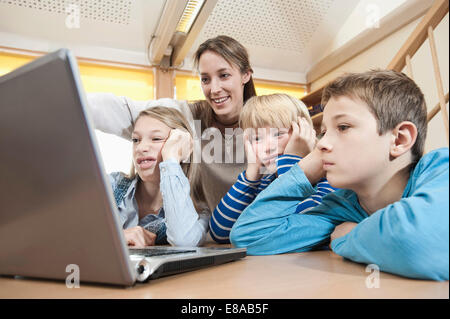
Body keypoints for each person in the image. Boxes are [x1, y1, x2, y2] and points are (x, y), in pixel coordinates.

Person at [230, 70, 449, 281]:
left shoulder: (440, 169)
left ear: (399, 140)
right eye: (324, 132)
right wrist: (304, 171)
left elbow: (422, 242)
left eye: (343, 127)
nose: (322, 143)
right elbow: (249, 236)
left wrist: (349, 237)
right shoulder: (339, 208)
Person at [88, 35, 256, 217]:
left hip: (256, 235)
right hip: (206, 237)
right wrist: (65, 102)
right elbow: (121, 111)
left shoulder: (268, 122)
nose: (214, 89)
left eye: (224, 76)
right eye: (205, 79)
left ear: (245, 74)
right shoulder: (188, 116)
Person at [209, 93, 336, 243]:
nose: (267, 147)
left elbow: (291, 226)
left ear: (304, 132)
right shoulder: (265, 182)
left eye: (279, 134)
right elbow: (220, 233)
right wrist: (251, 176)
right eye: (256, 138)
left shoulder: (329, 178)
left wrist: (292, 160)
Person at [110, 106, 209, 247]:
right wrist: (116, 238)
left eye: (156, 138)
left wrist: (171, 159)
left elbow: (184, 241)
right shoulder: (111, 185)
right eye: (136, 140)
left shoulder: (197, 213)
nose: (141, 147)